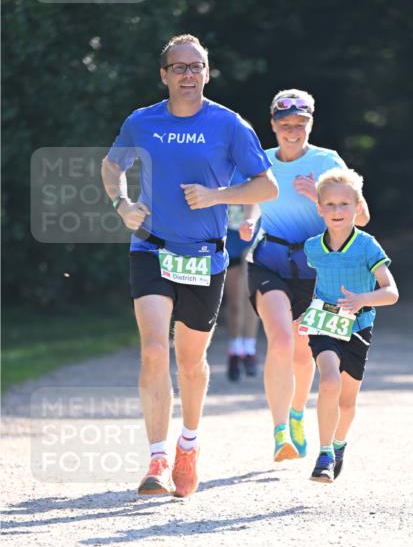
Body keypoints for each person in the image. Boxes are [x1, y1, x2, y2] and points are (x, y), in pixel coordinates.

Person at [101, 34, 278, 497]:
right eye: (178, 67)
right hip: (151, 249)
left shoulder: (229, 125)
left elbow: (266, 188)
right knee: (155, 350)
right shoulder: (142, 122)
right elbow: (110, 167)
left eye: (196, 67)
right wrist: (122, 205)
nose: (187, 75)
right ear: (163, 75)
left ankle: (188, 445)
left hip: (205, 256)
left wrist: (219, 197)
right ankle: (157, 458)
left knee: (192, 361)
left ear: (207, 72)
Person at [241, 89, 370, 462]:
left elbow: (361, 218)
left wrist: (319, 197)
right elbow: (249, 204)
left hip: (316, 270)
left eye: (300, 125)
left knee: (302, 351)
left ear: (310, 124)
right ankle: (281, 430)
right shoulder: (261, 162)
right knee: (280, 339)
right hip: (269, 262)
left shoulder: (328, 162)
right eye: (285, 125)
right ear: (273, 125)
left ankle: (297, 414)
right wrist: (249, 221)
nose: (293, 132)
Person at [301, 168, 398, 483]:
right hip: (324, 325)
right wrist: (308, 311)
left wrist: (361, 299)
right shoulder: (312, 247)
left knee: (347, 400)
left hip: (358, 326)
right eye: (329, 204)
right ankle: (325, 452)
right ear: (319, 208)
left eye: (344, 204)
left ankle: (340, 442)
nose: (337, 211)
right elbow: (314, 282)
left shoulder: (368, 246)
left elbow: (391, 293)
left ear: (358, 207)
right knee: (328, 381)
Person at [224, 204, 260, 381]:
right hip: (228, 243)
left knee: (251, 298)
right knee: (235, 302)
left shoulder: (255, 176)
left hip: (251, 240)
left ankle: (250, 350)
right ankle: (235, 350)